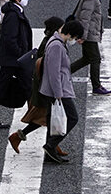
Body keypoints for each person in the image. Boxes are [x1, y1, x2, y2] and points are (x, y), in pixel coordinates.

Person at [9, 16, 70, 156]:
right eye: (61, 26)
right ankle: (19, 136)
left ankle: (52, 145)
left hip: (43, 84)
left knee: (48, 117)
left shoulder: (51, 40)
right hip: (44, 85)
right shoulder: (51, 43)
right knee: (44, 117)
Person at [0, 0, 32, 129]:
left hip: (15, 59)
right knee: (6, 87)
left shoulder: (15, 11)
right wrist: (21, 54)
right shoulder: (13, 14)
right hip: (13, 60)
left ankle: (35, 116)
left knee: (27, 86)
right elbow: (10, 38)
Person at [40, 20, 85, 164]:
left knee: (51, 120)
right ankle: (50, 145)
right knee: (73, 117)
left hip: (53, 89)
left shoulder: (57, 42)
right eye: (75, 37)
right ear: (71, 34)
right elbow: (54, 72)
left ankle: (50, 153)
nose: (75, 40)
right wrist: (58, 93)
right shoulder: (56, 46)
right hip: (57, 90)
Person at [70, 0, 111, 95]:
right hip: (89, 33)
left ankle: (63, 72)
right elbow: (85, 17)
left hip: (89, 31)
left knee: (87, 58)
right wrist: (83, 35)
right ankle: (96, 86)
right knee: (95, 58)